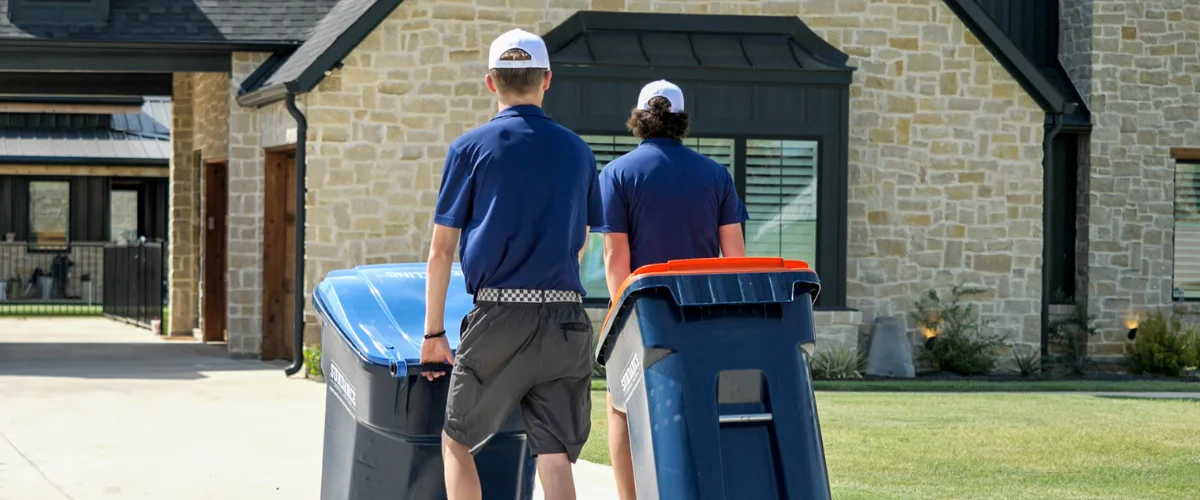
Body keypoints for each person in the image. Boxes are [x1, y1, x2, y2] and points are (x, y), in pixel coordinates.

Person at [419, 28, 603, 500]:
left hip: (500, 315)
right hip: (566, 318)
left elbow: (441, 251)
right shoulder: (579, 151)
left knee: (458, 441)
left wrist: (434, 334)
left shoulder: (471, 148)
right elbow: (581, 242)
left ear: (490, 82)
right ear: (547, 79)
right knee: (554, 452)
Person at [594, 80, 749, 500]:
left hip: (643, 311)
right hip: (702, 313)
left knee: (622, 408)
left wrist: (617, 317)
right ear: (681, 121)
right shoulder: (716, 175)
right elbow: (735, 257)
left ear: (640, 119)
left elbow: (614, 258)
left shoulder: (616, 174)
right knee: (698, 403)